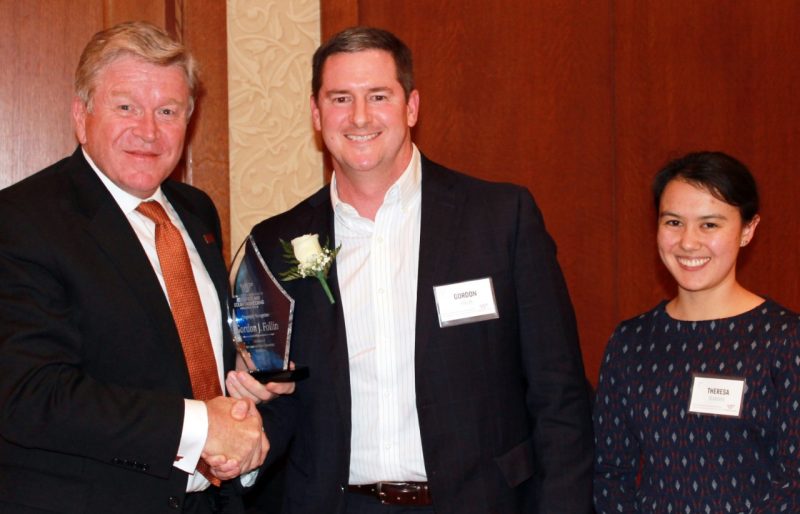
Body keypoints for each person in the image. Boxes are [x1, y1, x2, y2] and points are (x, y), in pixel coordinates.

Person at [225, 26, 594, 513]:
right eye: (340, 98)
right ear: (316, 114)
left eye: (378, 96)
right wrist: (255, 402)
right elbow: (285, 400)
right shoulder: (275, 244)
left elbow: (559, 394)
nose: (359, 117)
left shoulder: (501, 219)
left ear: (411, 106)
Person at [0, 21, 268, 513]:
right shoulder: (21, 221)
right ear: (82, 115)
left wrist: (254, 377)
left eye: (167, 111)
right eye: (126, 107)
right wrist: (201, 427)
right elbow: (30, 396)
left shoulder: (195, 211)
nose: (149, 131)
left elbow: (184, 354)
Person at [593, 151, 800, 513]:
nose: (688, 242)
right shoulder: (630, 342)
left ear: (747, 230)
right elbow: (610, 472)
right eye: (673, 222)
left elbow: (794, 483)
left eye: (709, 225)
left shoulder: (785, 339)